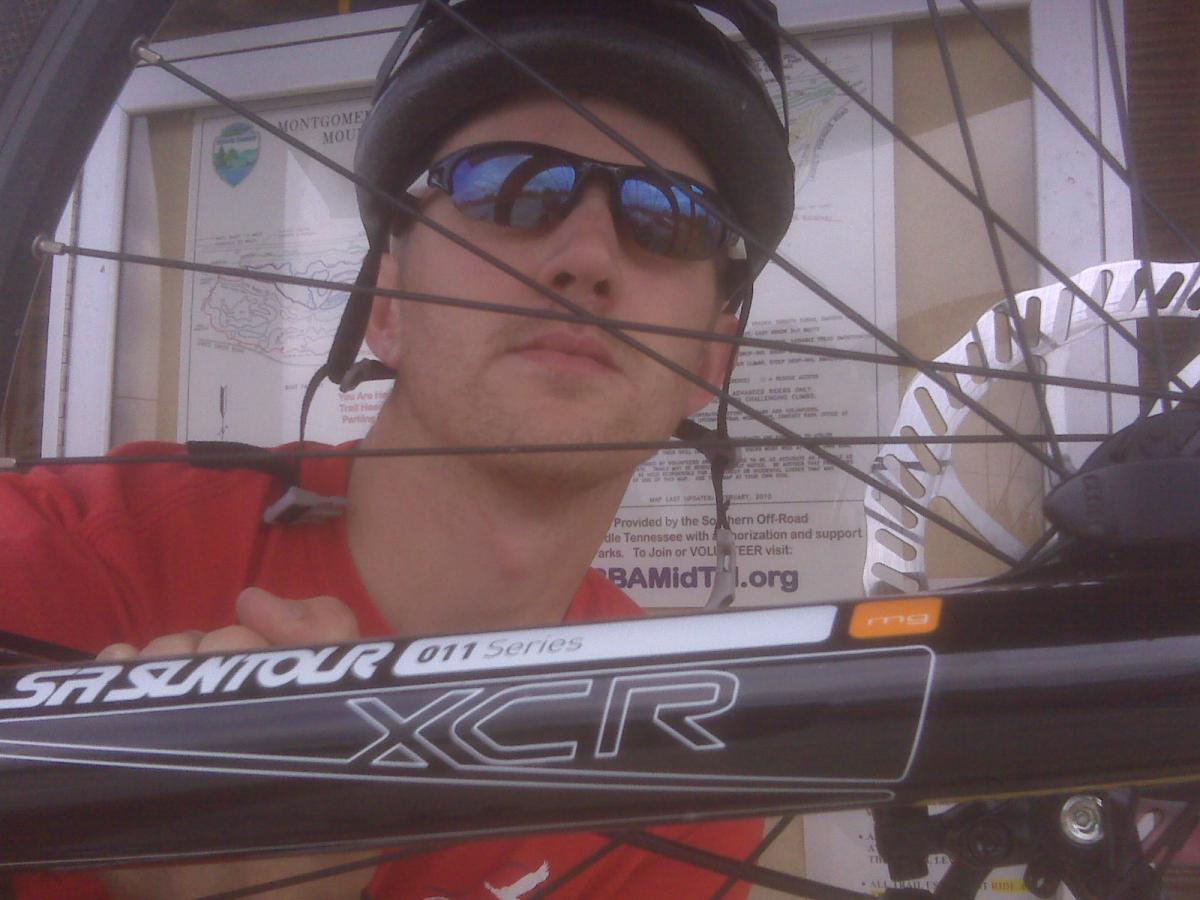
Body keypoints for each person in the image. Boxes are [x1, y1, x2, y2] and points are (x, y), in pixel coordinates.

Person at [1, 0, 794, 896]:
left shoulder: (680, 777)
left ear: (710, 365)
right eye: (508, 185)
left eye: (670, 216)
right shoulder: (81, 557)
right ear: (387, 304)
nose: (587, 257)